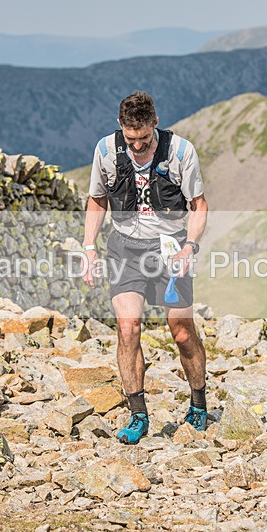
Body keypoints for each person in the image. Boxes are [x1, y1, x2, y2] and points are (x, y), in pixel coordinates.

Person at [81, 91, 209, 445]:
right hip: (125, 249)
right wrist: (89, 248)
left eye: (144, 139)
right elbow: (97, 199)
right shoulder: (106, 151)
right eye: (130, 139)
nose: (137, 146)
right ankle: (138, 415)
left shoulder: (180, 152)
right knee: (128, 328)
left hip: (171, 249)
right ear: (120, 127)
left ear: (156, 123)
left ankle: (198, 403)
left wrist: (190, 246)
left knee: (181, 331)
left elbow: (199, 204)